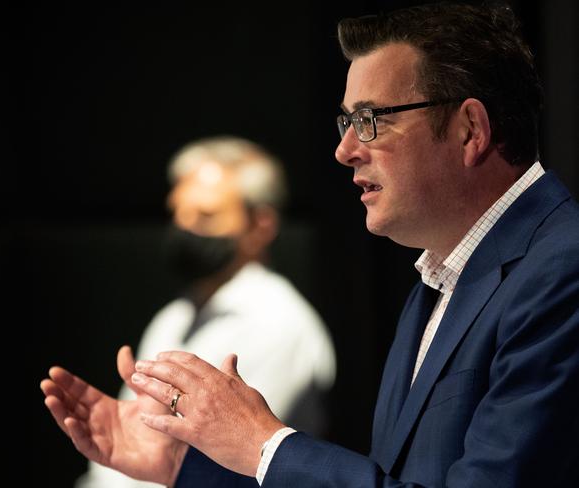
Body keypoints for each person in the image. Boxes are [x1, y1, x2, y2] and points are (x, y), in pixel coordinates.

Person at [42, 3, 579, 487]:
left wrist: (264, 444)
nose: (344, 150)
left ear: (469, 130)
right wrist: (183, 468)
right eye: (346, 121)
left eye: (370, 121)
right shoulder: (440, 281)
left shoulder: (563, 268)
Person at [71, 136, 337, 487]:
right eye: (178, 212)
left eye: (205, 215)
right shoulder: (174, 317)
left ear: (261, 226)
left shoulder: (278, 324)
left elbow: (233, 461)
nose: (184, 228)